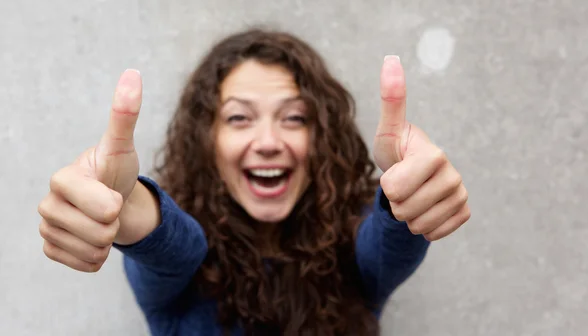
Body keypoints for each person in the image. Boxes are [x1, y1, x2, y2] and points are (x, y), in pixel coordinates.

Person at [37, 28, 470, 335]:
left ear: (320, 137)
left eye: (294, 118)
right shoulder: (184, 263)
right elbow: (168, 243)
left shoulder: (355, 250)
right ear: (207, 140)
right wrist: (122, 202)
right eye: (239, 118)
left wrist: (405, 193)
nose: (267, 142)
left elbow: (390, 239)